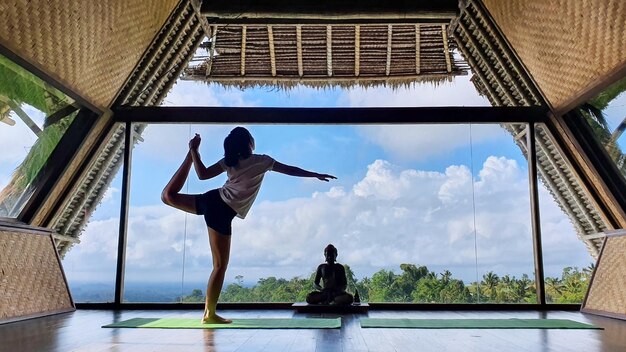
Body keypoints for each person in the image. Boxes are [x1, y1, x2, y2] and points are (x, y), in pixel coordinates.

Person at [161, 127, 336, 324]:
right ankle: (209, 315)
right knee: (219, 266)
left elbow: (202, 175)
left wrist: (194, 151)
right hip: (220, 209)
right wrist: (315, 174)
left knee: (168, 197)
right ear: (249, 143)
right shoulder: (262, 161)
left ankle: (209, 314)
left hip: (213, 201)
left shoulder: (230, 162)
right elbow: (289, 170)